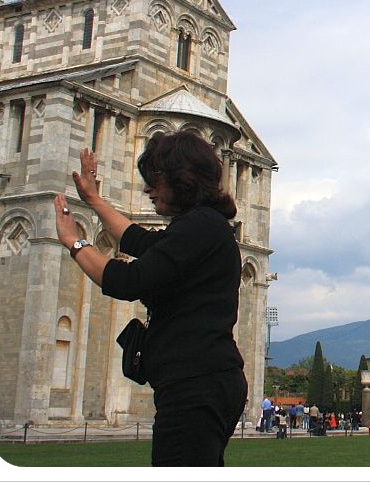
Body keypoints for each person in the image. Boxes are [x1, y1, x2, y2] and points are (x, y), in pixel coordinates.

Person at [54, 134, 247, 466]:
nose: (147, 189)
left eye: (155, 180)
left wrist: (75, 243)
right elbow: (141, 242)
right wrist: (94, 200)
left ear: (181, 180)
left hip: (195, 387)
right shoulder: (201, 227)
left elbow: (130, 281)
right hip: (204, 383)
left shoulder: (200, 227)